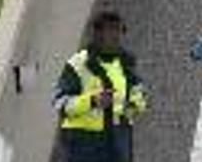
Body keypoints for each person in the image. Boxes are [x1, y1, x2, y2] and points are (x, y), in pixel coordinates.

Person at [53, 11, 147, 162]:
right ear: (98, 35)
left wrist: (132, 106)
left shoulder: (126, 63)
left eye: (119, 31)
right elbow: (61, 104)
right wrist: (92, 101)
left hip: (117, 139)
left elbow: (139, 95)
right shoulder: (78, 64)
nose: (116, 37)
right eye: (111, 31)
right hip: (82, 142)